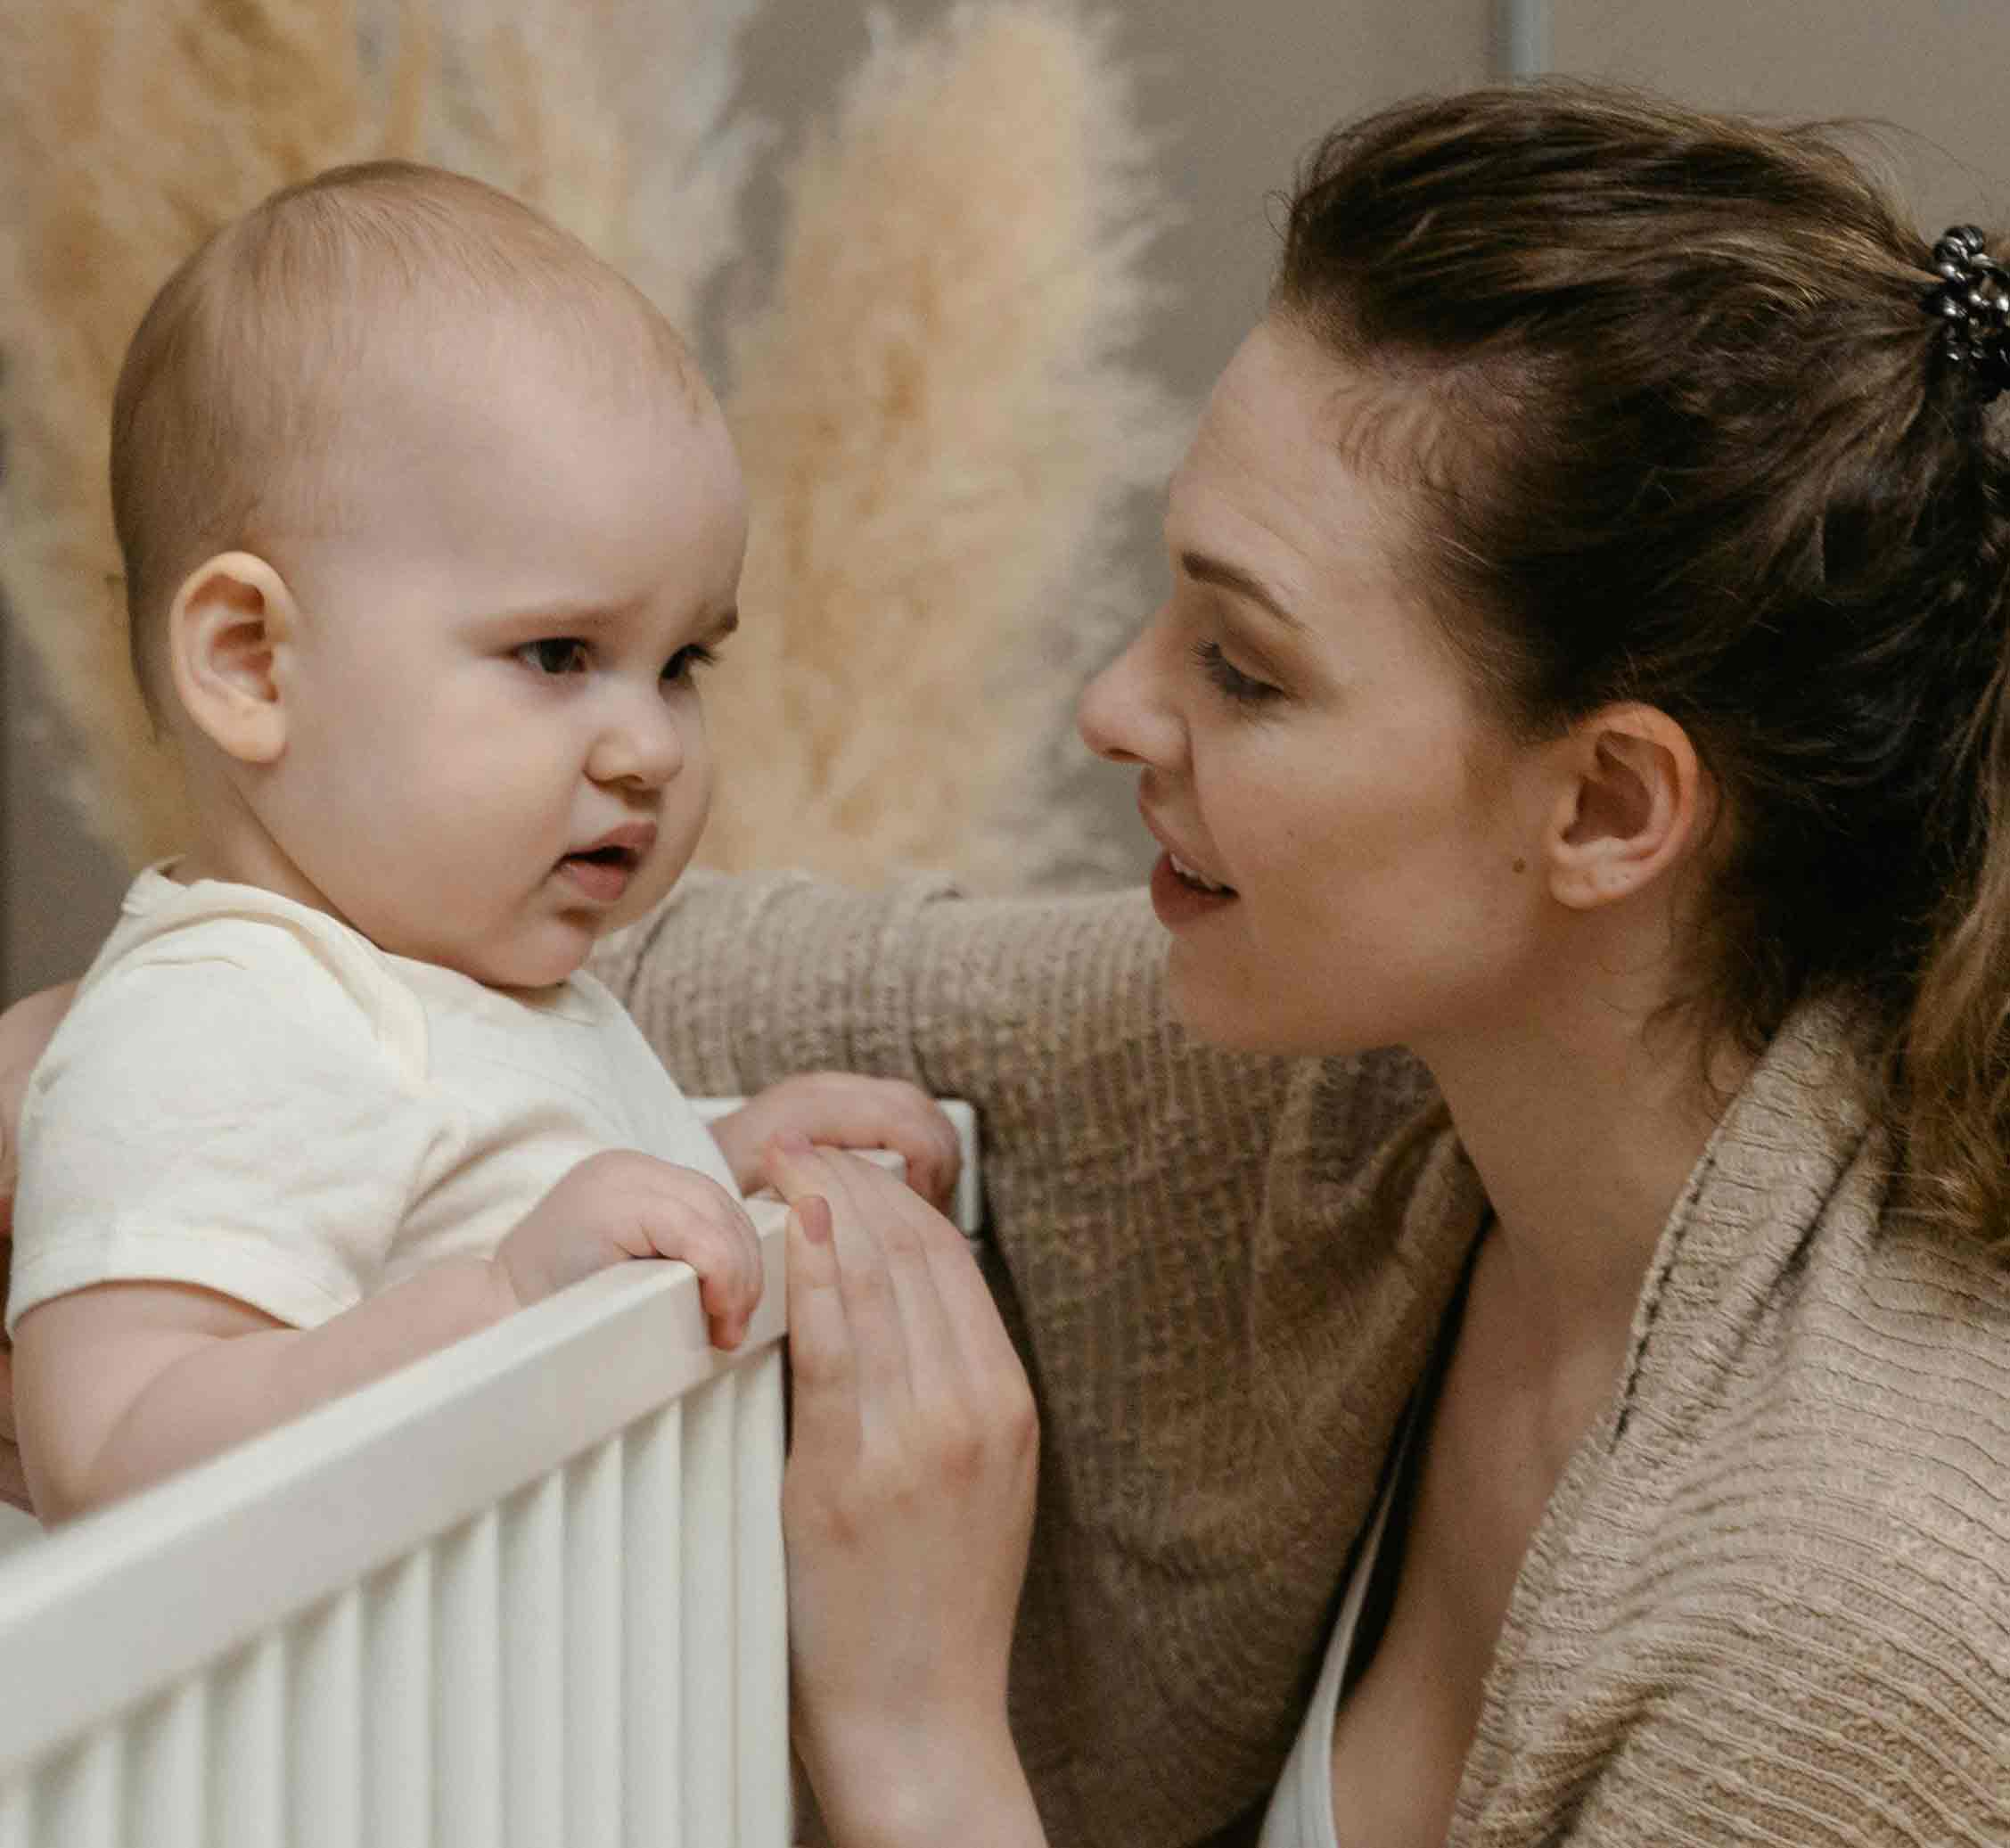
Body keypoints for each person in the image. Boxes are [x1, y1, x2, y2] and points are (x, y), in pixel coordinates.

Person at [5, 80, 2010, 1846]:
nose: (1111, 708)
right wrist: (175, 1083)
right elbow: (462, 983)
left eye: (1242, 660)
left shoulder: (1873, 1616)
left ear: (1606, 809)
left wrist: (917, 1751)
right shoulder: (1346, 1093)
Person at [0, 161, 958, 1524]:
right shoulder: (220, 1017)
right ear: (253, 663)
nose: (652, 746)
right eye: (559, 652)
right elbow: (114, 1451)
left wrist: (720, 1157)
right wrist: (503, 1308)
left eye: (681, 662)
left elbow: (462, 1174)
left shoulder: (458, 991)